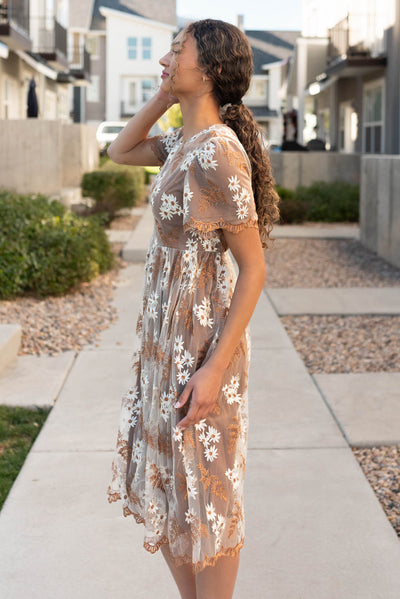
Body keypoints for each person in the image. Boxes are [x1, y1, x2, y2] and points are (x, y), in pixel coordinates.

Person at [106, 18, 280, 599]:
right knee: (176, 494)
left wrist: (212, 369)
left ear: (207, 69)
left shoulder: (220, 155)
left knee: (208, 497)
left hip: (202, 350)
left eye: (175, 52)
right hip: (164, 343)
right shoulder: (182, 143)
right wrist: (164, 93)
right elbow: (119, 149)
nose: (164, 57)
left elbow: (253, 269)